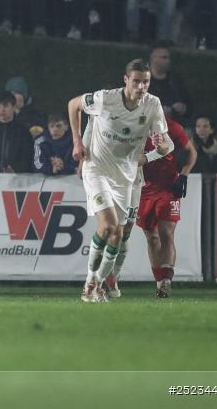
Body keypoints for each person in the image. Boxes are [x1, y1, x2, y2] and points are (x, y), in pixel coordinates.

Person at [68, 58, 172, 303]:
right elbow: (73, 105)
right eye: (136, 81)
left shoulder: (153, 104)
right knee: (107, 226)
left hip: (125, 176)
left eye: (145, 82)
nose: (141, 86)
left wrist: (159, 146)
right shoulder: (106, 99)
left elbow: (167, 144)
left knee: (119, 234)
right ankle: (90, 283)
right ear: (126, 80)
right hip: (97, 169)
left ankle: (98, 284)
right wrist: (76, 142)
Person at [132, 115, 197, 298]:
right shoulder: (130, 123)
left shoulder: (171, 126)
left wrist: (183, 176)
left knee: (166, 232)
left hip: (168, 186)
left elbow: (191, 152)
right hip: (143, 189)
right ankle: (159, 282)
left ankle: (167, 280)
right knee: (151, 236)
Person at [147, 43, 192, 126]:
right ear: (153, 59)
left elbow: (189, 106)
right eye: (164, 57)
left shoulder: (175, 80)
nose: (168, 60)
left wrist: (183, 108)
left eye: (168, 58)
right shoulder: (141, 80)